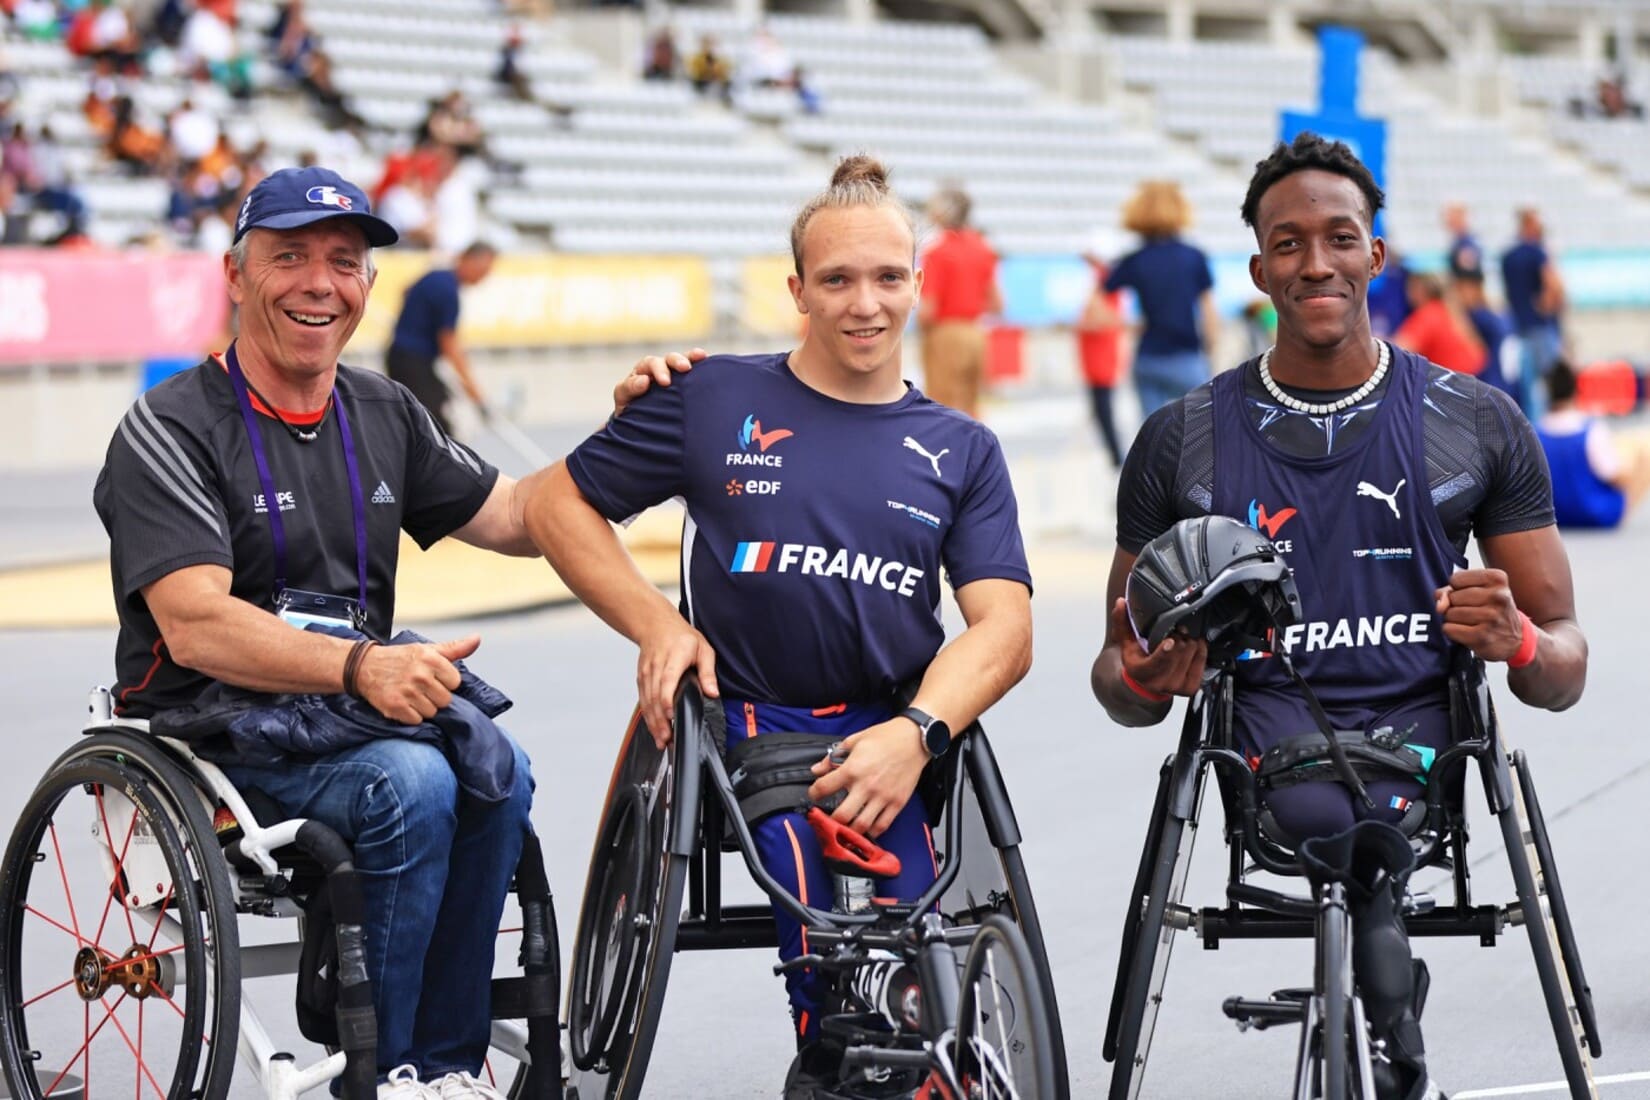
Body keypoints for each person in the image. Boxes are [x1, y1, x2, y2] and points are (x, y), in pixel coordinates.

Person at [93, 165, 694, 1093]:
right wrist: (364, 665)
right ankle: (384, 1067)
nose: (320, 284)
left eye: (345, 262)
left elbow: (520, 514)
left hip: (344, 704)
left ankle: (443, 1067)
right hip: (216, 719)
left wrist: (629, 438)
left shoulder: (383, 409)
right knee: (410, 781)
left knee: (499, 766)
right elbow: (197, 626)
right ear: (235, 273)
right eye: (289, 257)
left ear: (369, 286)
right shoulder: (168, 428)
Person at [522, 155, 1034, 1099]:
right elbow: (554, 504)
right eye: (837, 279)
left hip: (893, 724)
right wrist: (655, 625)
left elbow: (1004, 630)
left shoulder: (964, 449)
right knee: (836, 950)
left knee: (910, 972)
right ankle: (839, 1052)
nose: (864, 303)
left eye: (887, 277)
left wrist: (917, 735)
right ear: (797, 289)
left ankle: (900, 1060)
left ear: (918, 283)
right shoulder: (709, 396)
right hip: (757, 724)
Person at [1092, 133, 1586, 1100]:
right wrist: (1146, 675)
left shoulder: (1477, 420)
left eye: (1339, 238)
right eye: (1288, 243)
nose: (1315, 262)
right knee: (1337, 818)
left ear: (1376, 255)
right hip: (1267, 746)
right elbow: (1118, 675)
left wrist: (1517, 638)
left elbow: (1563, 666)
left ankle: (1388, 1000)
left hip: (1427, 746)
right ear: (1258, 269)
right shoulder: (1180, 439)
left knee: (1368, 822)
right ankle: (1394, 1011)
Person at [1094, 180, 1217, 419]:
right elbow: (1209, 312)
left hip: (1148, 358)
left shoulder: (1133, 259)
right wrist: (1210, 349)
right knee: (1208, 428)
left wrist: (1128, 324)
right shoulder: (1193, 256)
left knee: (1154, 436)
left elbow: (1096, 305)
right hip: (1186, 356)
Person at [385, 242, 496, 435]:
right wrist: (475, 394)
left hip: (401, 356)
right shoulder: (448, 293)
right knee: (435, 428)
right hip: (412, 362)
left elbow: (406, 291)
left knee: (421, 419)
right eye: (483, 269)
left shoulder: (435, 276)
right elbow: (449, 344)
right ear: (467, 259)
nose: (483, 276)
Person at [917, 183, 1000, 419]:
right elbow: (996, 302)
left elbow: (928, 310)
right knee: (971, 405)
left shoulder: (938, 251)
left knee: (942, 406)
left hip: (946, 333)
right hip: (975, 332)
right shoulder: (982, 247)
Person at [1536, 358, 1650, 529]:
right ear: (1575, 389)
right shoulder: (1589, 428)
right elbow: (1612, 474)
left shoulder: (1536, 430)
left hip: (1552, 513)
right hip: (1593, 512)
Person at [1500, 207, 1566, 420]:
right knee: (1550, 385)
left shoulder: (1508, 256)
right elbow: (1554, 286)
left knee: (1529, 389)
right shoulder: (1538, 253)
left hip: (1519, 327)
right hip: (1540, 328)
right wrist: (1549, 304)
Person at [1077, 229, 1127, 466]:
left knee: (1103, 409)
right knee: (1101, 409)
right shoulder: (1102, 278)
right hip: (1097, 352)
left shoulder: (1103, 279)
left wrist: (1084, 324)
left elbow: (1104, 318)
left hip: (1100, 352)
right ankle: (1115, 458)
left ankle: (1117, 459)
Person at [1392, 272, 1484, 376]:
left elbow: (1397, 352)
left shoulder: (1429, 314)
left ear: (1420, 288)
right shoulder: (1448, 310)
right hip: (1470, 381)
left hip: (1452, 383)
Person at [1441, 202, 1481, 279]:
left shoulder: (1468, 243)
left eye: (1452, 216)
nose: (1448, 220)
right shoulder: (1457, 241)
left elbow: (1468, 274)